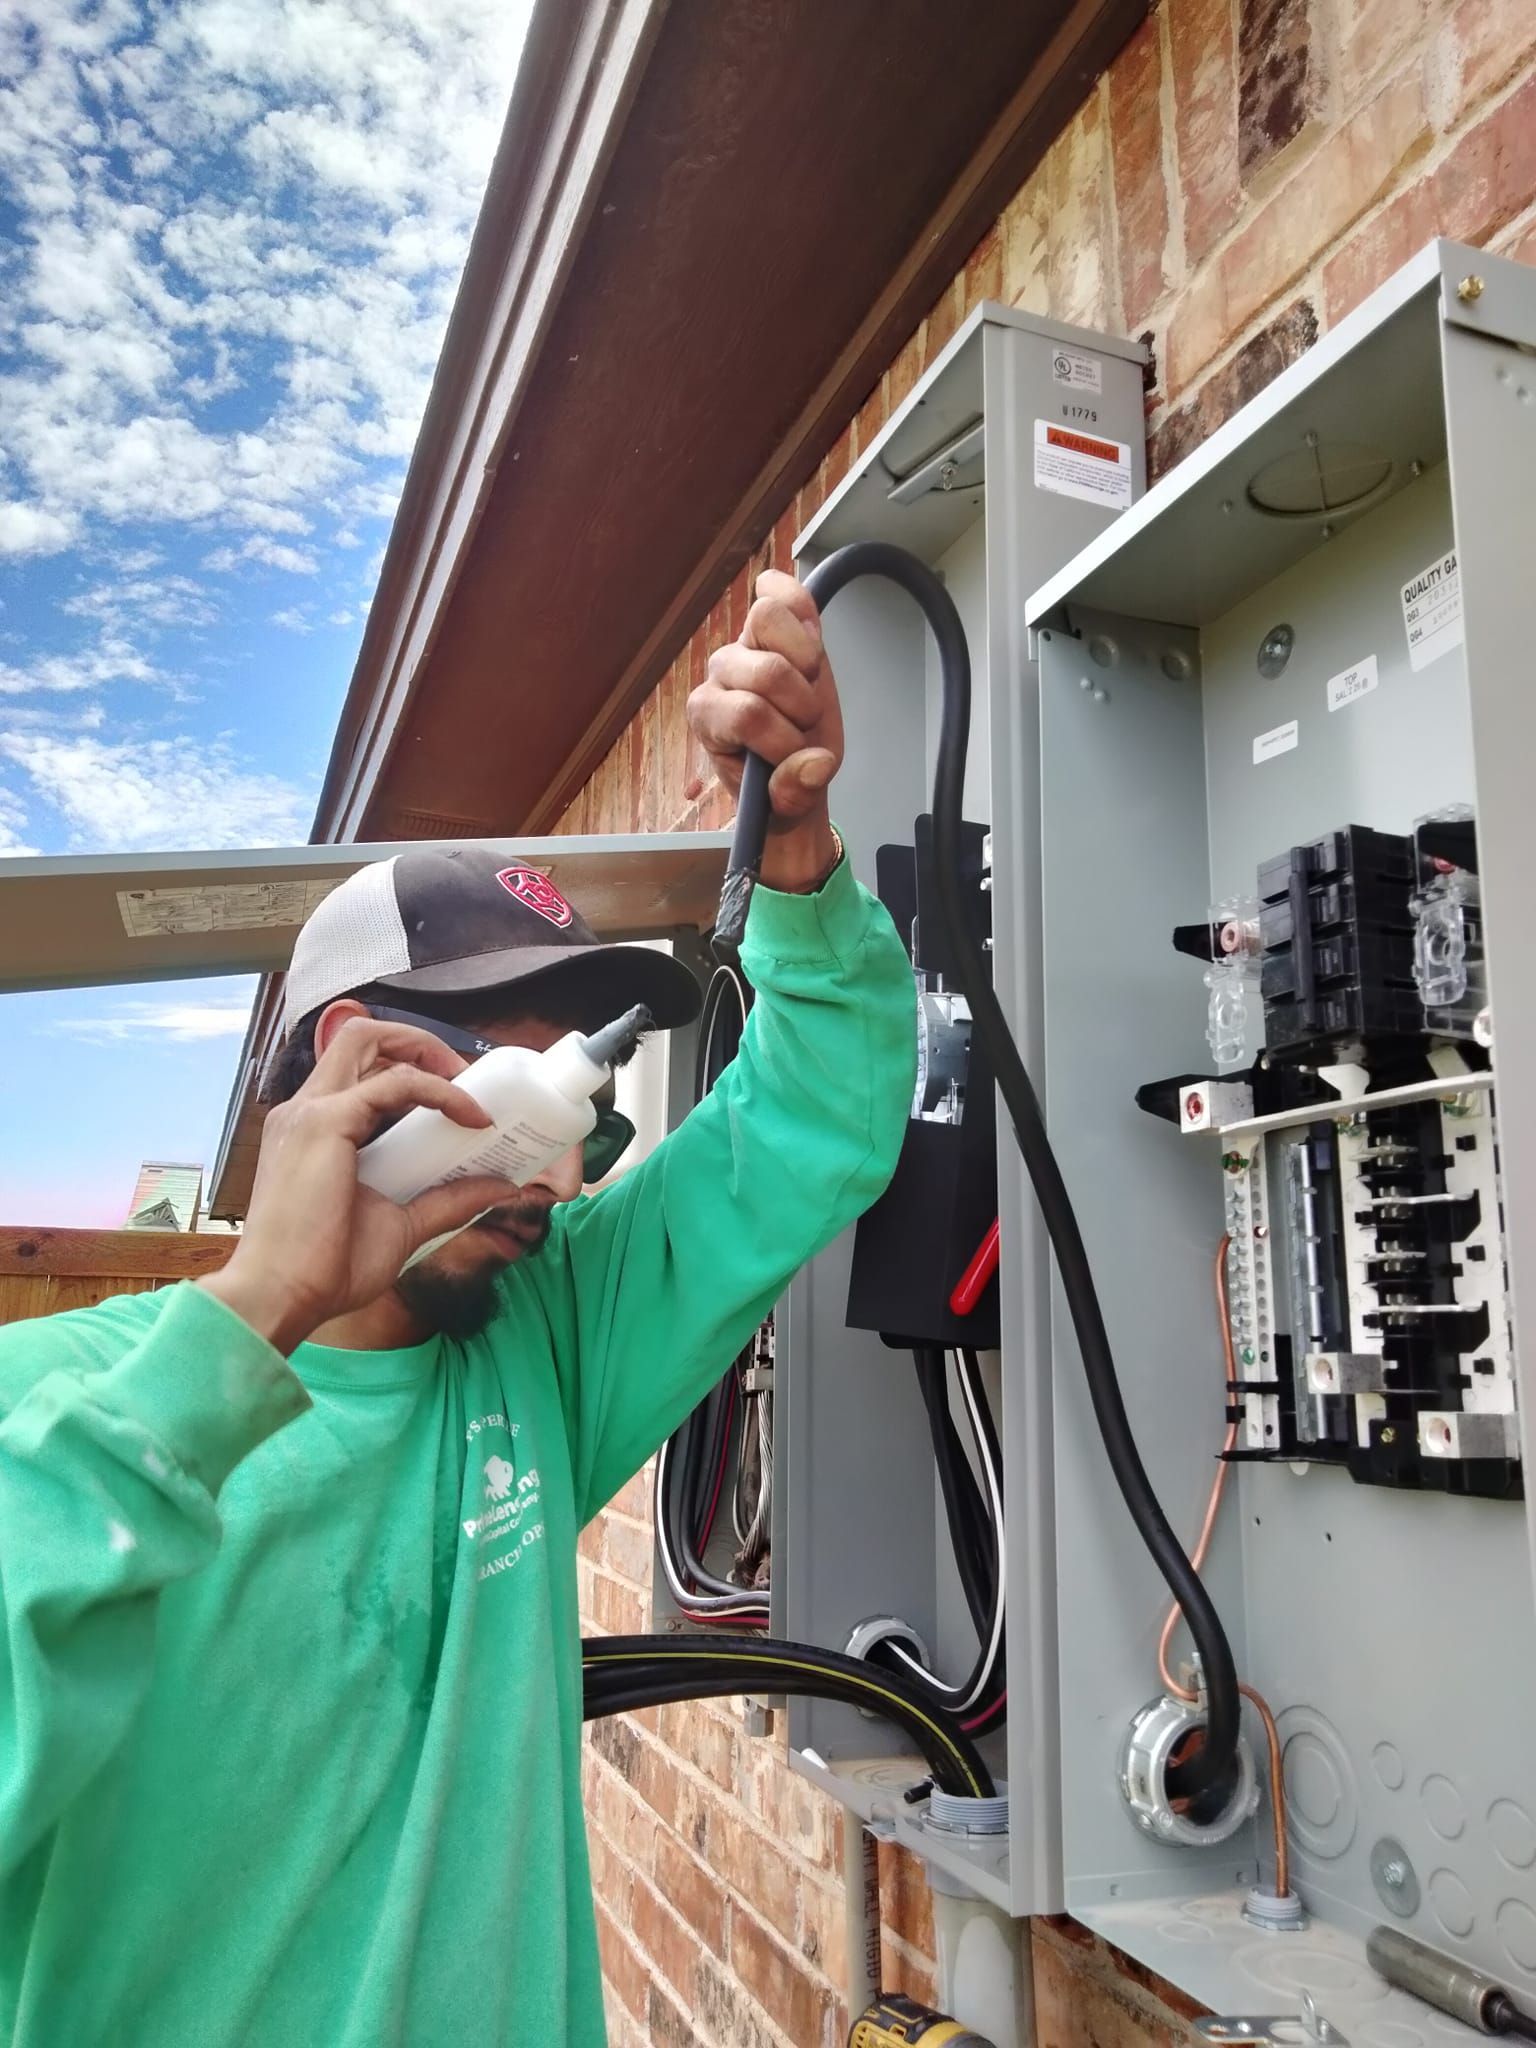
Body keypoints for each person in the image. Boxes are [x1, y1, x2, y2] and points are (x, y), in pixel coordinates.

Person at [0, 573, 917, 2047]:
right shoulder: (54, 1411)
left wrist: (800, 867)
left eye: (584, 1118)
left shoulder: (533, 1353)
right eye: (509, 1105)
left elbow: (816, 1114)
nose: (556, 1181)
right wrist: (251, 1322)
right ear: (353, 1067)